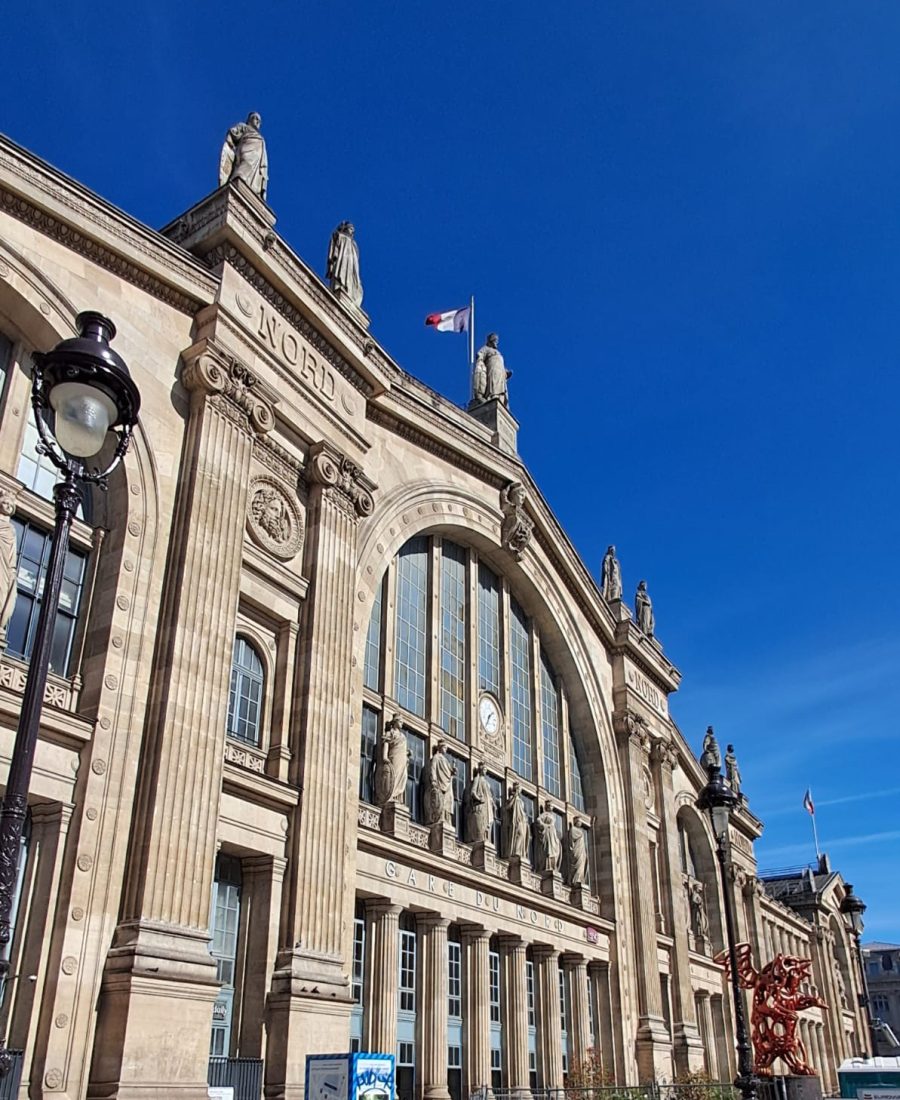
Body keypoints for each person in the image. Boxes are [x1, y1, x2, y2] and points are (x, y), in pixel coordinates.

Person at [219, 112, 268, 200]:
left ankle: (252, 191)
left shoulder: (260, 137)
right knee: (244, 166)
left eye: (259, 121)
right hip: (246, 150)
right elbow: (233, 132)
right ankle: (236, 181)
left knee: (255, 178)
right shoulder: (244, 127)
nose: (257, 121)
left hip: (256, 157)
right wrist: (229, 141)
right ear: (249, 119)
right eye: (255, 118)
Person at [374, 714, 409, 806]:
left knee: (403, 776)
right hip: (394, 757)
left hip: (402, 759)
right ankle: (391, 795)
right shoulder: (390, 733)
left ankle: (397, 797)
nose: (402, 723)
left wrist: (407, 754)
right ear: (395, 722)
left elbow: (403, 749)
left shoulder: (403, 736)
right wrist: (384, 756)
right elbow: (386, 744)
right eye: (400, 721)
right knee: (394, 775)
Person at [326, 221, 363, 307]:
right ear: (346, 228)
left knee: (352, 278)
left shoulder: (354, 244)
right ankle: (340, 286)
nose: (352, 231)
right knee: (341, 272)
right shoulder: (340, 237)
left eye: (353, 230)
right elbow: (334, 251)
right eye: (350, 228)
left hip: (351, 264)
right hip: (342, 260)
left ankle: (350, 292)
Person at [423, 742, 456, 826]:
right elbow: (433, 769)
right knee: (440, 801)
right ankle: (440, 818)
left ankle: (446, 819)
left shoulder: (445, 760)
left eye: (446, 748)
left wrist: (452, 771)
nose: (446, 750)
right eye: (444, 747)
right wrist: (433, 780)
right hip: (439, 784)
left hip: (447, 785)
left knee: (447, 802)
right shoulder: (436, 757)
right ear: (440, 748)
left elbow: (448, 772)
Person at [473, 333, 511, 405]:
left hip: (500, 372)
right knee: (493, 384)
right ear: (491, 341)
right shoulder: (486, 348)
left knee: (501, 387)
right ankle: (492, 397)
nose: (496, 342)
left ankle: (500, 400)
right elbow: (479, 354)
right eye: (495, 340)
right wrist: (479, 359)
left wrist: (506, 372)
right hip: (492, 368)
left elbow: (501, 364)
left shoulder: (497, 352)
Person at [464, 763, 495, 843]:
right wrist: (479, 799)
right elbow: (473, 792)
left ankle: (487, 839)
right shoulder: (477, 779)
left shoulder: (487, 783)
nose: (485, 771)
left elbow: (489, 795)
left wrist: (493, 803)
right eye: (484, 769)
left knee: (488, 825)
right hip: (481, 806)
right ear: (480, 770)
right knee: (482, 826)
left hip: (488, 806)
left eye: (486, 770)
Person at [501, 781, 529, 860]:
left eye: (520, 789)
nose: (520, 790)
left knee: (522, 835)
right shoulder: (512, 798)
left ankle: (518, 851)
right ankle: (515, 851)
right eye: (519, 788)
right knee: (519, 834)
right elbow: (508, 807)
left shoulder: (520, 801)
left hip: (522, 820)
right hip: (516, 820)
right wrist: (514, 798)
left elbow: (522, 810)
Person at [535, 801, 561, 873]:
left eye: (552, 806)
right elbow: (538, 820)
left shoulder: (553, 816)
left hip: (552, 834)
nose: (551, 808)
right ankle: (547, 866)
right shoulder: (545, 814)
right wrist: (544, 825)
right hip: (547, 833)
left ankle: (552, 866)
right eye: (550, 806)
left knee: (553, 849)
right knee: (547, 849)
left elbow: (552, 824)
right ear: (547, 807)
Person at [567, 817, 589, 886]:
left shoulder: (580, 831)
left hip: (581, 850)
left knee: (581, 865)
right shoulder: (573, 829)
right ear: (576, 822)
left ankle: (579, 879)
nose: (581, 823)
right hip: (577, 850)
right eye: (579, 821)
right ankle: (575, 880)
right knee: (577, 864)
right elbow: (572, 837)